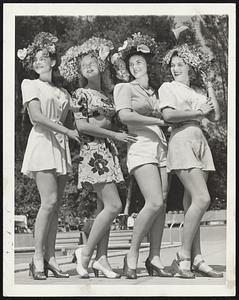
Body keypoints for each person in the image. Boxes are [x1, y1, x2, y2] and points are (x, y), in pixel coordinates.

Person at [59, 37, 137, 279]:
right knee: (114, 205)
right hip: (94, 152)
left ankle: (102, 259)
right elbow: (82, 126)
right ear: (80, 72)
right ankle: (85, 253)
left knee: (105, 207)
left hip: (108, 150)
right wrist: (112, 131)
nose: (89, 66)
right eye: (84, 65)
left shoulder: (107, 94)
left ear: (101, 66)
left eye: (92, 62)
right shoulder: (80, 93)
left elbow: (107, 118)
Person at [17, 32, 81, 280]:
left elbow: (71, 117)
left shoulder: (63, 92)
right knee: (49, 201)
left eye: (43, 57)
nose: (38, 61)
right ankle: (36, 257)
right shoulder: (30, 84)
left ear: (53, 61)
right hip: (43, 142)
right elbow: (37, 117)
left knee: (55, 207)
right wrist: (66, 130)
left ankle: (51, 257)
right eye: (35, 58)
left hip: (60, 147)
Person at [158, 43, 223, 278]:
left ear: (190, 67)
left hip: (200, 141)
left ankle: (197, 258)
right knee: (202, 198)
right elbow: (168, 115)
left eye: (180, 64)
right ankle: (182, 257)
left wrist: (208, 86)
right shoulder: (168, 87)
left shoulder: (196, 91)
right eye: (173, 65)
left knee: (191, 205)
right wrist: (198, 113)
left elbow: (215, 115)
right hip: (182, 139)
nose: (175, 68)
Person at [113, 32, 173, 279]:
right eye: (130, 64)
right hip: (140, 146)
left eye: (139, 62)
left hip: (161, 146)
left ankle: (155, 258)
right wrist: (158, 119)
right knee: (154, 202)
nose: (134, 66)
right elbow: (125, 116)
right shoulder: (124, 87)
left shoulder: (157, 92)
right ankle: (132, 254)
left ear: (148, 63)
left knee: (163, 204)